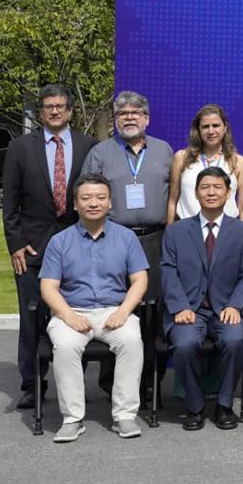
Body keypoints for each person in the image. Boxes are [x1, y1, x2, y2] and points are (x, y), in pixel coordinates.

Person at [2, 84, 97, 410]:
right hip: (32, 248)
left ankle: (74, 383)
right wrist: (15, 244)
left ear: (70, 111)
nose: (54, 111)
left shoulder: (88, 146)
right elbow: (10, 203)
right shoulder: (20, 147)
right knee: (32, 317)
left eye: (60, 106)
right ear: (41, 112)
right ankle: (32, 384)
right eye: (48, 106)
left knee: (77, 314)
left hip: (78, 245)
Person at [38, 174, 148, 443]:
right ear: (76, 204)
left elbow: (140, 280)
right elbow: (48, 287)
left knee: (131, 341)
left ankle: (124, 415)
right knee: (66, 346)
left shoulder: (126, 238)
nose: (94, 203)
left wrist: (123, 311)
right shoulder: (60, 241)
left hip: (115, 310)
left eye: (100, 197)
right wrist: (68, 316)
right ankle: (72, 419)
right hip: (71, 310)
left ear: (110, 203)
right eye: (86, 198)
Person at [81, 91, 174, 398]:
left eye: (135, 113)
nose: (129, 117)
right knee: (115, 309)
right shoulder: (100, 152)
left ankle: (151, 383)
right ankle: (113, 384)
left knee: (152, 311)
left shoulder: (163, 150)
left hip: (155, 239)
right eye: (123, 113)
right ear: (115, 120)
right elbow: (86, 195)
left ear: (146, 118)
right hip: (113, 240)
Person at [160, 167, 243, 431]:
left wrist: (235, 305)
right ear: (195, 193)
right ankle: (195, 406)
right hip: (189, 309)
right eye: (205, 187)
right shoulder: (176, 231)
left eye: (217, 187)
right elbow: (168, 272)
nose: (211, 192)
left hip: (227, 308)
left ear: (228, 193)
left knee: (235, 340)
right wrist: (180, 306)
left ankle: (224, 405)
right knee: (184, 344)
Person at [167, 104, 243, 222]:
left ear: (225, 128)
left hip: (226, 229)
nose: (211, 131)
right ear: (198, 130)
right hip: (187, 228)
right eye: (205, 127)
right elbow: (172, 200)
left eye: (216, 126)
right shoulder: (182, 158)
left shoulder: (238, 161)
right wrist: (170, 231)